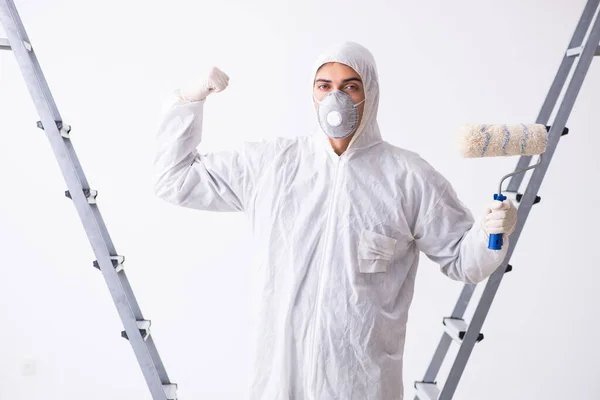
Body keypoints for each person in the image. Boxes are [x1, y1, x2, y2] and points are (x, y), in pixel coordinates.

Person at [154, 41, 517, 400]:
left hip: (361, 384)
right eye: (324, 86)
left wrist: (490, 233)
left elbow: (463, 262)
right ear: (312, 94)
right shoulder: (272, 165)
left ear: (370, 94)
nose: (336, 98)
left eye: (350, 86)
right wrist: (188, 101)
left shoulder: (408, 177)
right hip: (279, 380)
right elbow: (175, 180)